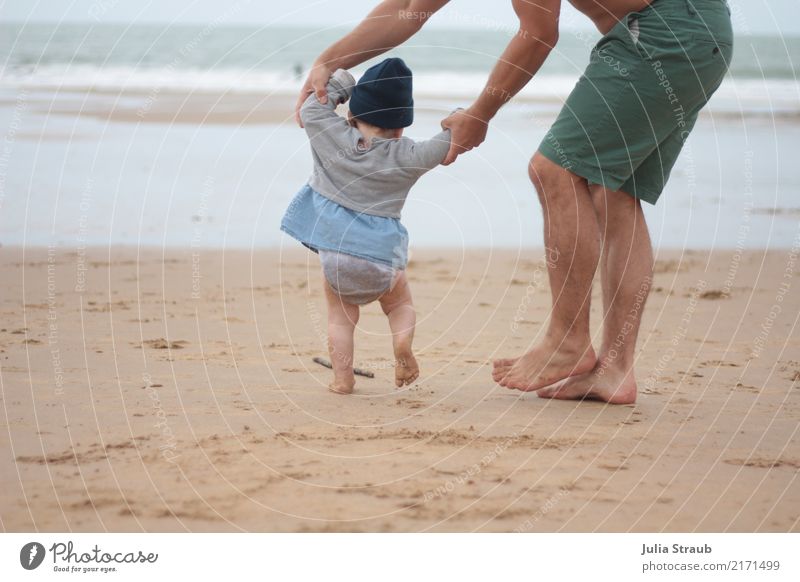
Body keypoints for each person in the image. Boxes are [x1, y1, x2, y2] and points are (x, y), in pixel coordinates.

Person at [295, 0, 733, 404]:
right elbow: (409, 9)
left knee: (554, 169)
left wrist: (480, 113)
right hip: (694, 32)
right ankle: (615, 370)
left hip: (660, 33)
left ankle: (567, 342)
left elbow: (540, 31)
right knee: (615, 193)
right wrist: (328, 62)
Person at [282, 58, 451, 394]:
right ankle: (401, 344)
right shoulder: (408, 155)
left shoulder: (332, 136)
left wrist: (343, 79)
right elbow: (444, 147)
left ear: (352, 117)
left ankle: (342, 380)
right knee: (400, 305)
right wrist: (458, 120)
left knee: (340, 319)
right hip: (382, 258)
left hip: (337, 256)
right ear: (401, 128)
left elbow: (312, 110)